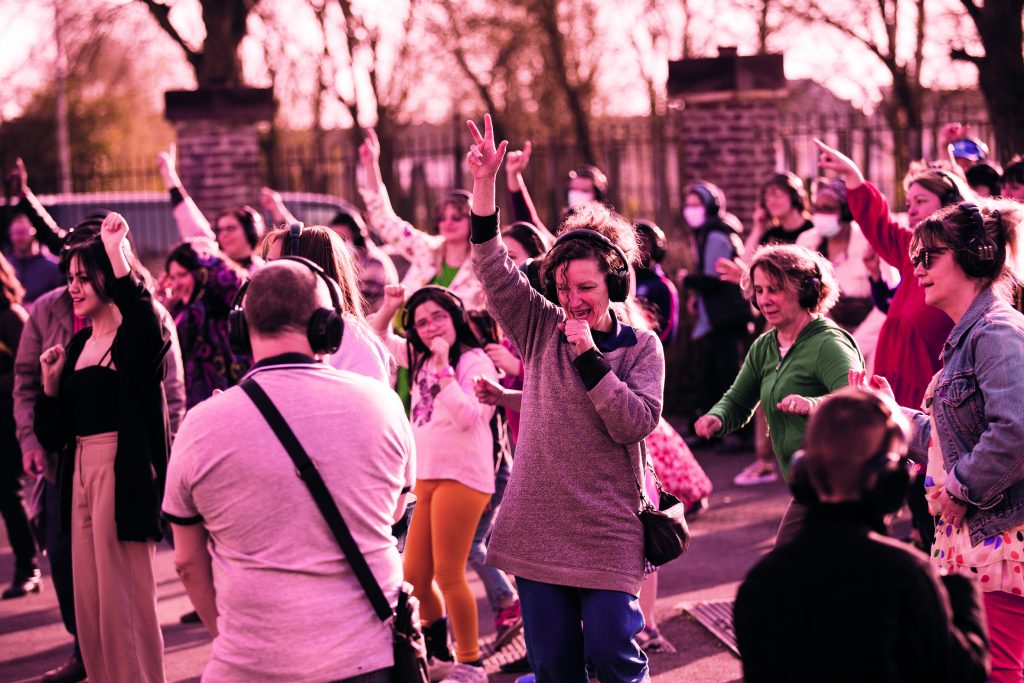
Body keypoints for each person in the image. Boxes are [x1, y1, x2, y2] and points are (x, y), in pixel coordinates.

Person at [468, 114, 663, 683]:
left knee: (612, 654)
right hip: (537, 522)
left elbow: (633, 424)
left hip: (608, 527)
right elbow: (491, 265)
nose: (571, 299)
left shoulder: (640, 346)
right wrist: (485, 185)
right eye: (562, 287)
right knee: (554, 667)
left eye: (586, 288)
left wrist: (588, 358)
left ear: (616, 285)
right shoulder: (537, 324)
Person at [163, 259, 414, 682]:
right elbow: (392, 518)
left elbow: (187, 562)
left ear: (240, 329)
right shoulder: (383, 404)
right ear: (327, 328)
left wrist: (232, 636)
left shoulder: (201, 424)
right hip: (368, 657)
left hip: (251, 663)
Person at [857, 200, 1024, 683]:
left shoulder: (995, 331)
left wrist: (959, 488)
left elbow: (1015, 429)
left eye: (929, 256)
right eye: (914, 258)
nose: (917, 269)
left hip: (1001, 537)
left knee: (997, 672)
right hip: (977, 540)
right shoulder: (968, 337)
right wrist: (892, 413)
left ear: (975, 256)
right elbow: (949, 438)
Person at [14, 218, 185, 683]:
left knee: (123, 603)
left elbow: (148, 329)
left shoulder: (135, 337)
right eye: (69, 278)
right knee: (90, 606)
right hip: (78, 476)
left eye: (83, 277)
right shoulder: (79, 344)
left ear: (109, 278)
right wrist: (51, 387)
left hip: (122, 472)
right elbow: (54, 436)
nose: (73, 287)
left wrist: (115, 249)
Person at [734, 387, 989, 683]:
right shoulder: (904, 576)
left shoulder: (761, 581)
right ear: (889, 482)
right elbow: (966, 674)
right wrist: (959, 588)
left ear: (805, 471)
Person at [814, 138, 968, 549]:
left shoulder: (965, 267)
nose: (912, 209)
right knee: (910, 499)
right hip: (893, 387)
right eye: (909, 200)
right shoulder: (914, 252)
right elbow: (880, 223)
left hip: (929, 396)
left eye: (921, 200)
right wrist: (852, 177)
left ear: (950, 205)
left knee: (930, 499)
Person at [370, 282, 497, 682]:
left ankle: (472, 662)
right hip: (424, 476)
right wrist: (391, 307)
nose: (429, 327)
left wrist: (444, 369)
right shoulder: (418, 357)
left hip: (464, 477)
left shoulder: (475, 362)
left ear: (455, 316)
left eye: (438, 317)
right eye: (421, 322)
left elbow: (469, 417)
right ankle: (440, 654)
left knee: (448, 572)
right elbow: (376, 340)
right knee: (414, 575)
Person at [694, 243, 863, 542]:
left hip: (842, 484)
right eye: (759, 290)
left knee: (784, 573)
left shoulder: (828, 344)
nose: (765, 300)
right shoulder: (765, 345)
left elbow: (857, 400)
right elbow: (738, 399)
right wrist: (716, 417)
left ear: (806, 290)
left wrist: (813, 403)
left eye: (775, 289)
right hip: (808, 484)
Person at [258, 224, 394, 385]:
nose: (264, 272)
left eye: (275, 264)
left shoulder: (351, 340)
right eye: (267, 263)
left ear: (305, 268)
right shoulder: (292, 327)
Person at [680, 181, 752, 448]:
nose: (691, 210)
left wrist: (688, 281)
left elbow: (715, 278)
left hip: (727, 316)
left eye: (697, 204)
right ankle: (710, 429)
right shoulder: (704, 233)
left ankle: (742, 433)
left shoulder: (716, 235)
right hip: (716, 316)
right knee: (711, 374)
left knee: (730, 374)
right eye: (688, 204)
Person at [797, 177, 895, 372]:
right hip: (821, 340)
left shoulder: (870, 244)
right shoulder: (806, 243)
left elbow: (888, 304)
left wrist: (852, 343)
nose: (820, 214)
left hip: (869, 343)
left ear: (846, 211)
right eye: (817, 208)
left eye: (828, 208)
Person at [163, 241, 249, 408]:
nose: (176, 284)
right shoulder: (177, 311)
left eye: (182, 275)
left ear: (200, 273)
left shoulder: (222, 310)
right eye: (172, 277)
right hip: (189, 404)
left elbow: (231, 279)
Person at [157, 145, 266, 272]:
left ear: (251, 232)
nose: (223, 235)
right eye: (220, 230)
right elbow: (188, 217)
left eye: (230, 228)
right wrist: (169, 176)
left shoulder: (263, 272)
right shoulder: (213, 262)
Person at [0, 254, 37, 599]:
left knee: (10, 495)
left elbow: (29, 370)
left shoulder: (12, 316)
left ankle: (29, 567)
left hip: (9, 419)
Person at [3, 159, 65, 306]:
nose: (19, 238)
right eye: (15, 233)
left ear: (35, 232)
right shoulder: (6, 267)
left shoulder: (54, 267)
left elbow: (55, 237)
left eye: (23, 232)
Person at [326, 202, 398, 314]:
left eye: (342, 238)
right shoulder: (349, 261)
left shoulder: (375, 263)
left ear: (357, 238)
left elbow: (356, 307)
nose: (337, 244)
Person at [634, 220, 679, 344]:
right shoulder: (621, 281)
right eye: (636, 243)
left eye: (645, 244)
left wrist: (649, 351)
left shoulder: (663, 286)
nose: (640, 249)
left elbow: (667, 330)